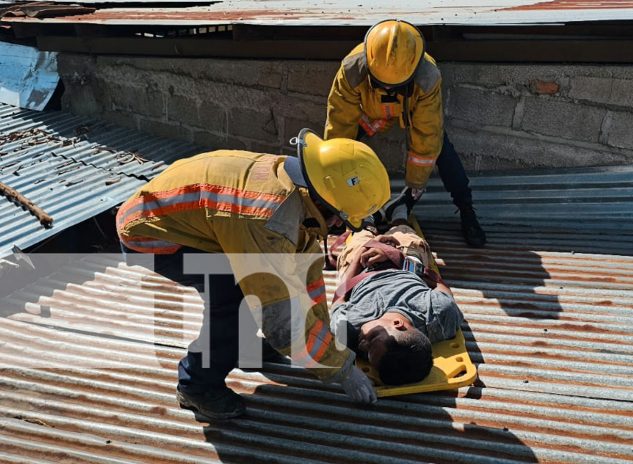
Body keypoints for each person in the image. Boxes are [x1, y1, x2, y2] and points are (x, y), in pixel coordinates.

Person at [116, 128, 390, 421]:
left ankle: (243, 348)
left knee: (254, 287)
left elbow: (305, 276)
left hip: (191, 218)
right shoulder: (271, 220)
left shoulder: (301, 190)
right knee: (237, 295)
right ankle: (197, 385)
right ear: (327, 204)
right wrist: (340, 369)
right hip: (150, 234)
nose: (340, 226)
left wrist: (324, 338)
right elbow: (279, 315)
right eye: (342, 220)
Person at [324, 19, 486, 247]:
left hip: (411, 110)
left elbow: (426, 137)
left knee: (440, 148)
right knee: (340, 151)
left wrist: (412, 191)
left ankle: (467, 210)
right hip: (371, 114)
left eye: (395, 85)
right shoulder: (352, 71)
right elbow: (339, 129)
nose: (389, 88)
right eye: (382, 83)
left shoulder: (427, 77)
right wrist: (338, 195)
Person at [330, 219, 464, 386]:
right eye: (372, 339)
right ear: (398, 324)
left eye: (366, 353)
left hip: (361, 266)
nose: (362, 345)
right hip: (407, 262)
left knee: (359, 232)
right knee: (403, 230)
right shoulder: (439, 314)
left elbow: (340, 294)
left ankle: (368, 222)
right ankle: (398, 214)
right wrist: (397, 257)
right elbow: (438, 283)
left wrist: (365, 249)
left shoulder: (347, 328)